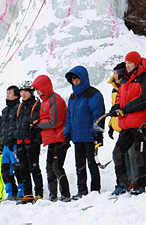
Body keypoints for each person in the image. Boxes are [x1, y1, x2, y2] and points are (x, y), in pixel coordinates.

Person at [110, 51, 146, 195]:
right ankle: (122, 182)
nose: (127, 66)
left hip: (140, 125)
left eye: (129, 63)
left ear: (136, 63)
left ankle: (141, 185)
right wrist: (115, 109)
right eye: (126, 63)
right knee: (117, 152)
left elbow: (144, 99)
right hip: (126, 125)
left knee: (139, 155)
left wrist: (124, 109)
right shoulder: (126, 80)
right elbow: (119, 99)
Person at [64, 66, 105, 199]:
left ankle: (95, 189)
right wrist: (67, 132)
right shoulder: (73, 96)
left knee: (92, 163)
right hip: (77, 136)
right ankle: (82, 189)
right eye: (72, 79)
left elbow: (98, 115)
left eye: (76, 78)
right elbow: (69, 116)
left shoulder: (94, 94)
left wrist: (97, 132)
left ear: (83, 78)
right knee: (79, 164)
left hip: (90, 135)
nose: (74, 81)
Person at [31, 74, 70, 202]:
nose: (37, 91)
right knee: (49, 168)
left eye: (38, 88)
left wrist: (39, 124)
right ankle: (53, 195)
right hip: (51, 139)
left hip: (59, 138)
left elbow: (55, 122)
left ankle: (65, 194)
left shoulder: (55, 100)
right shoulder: (45, 101)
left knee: (57, 167)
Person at [14, 80, 44, 204]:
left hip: (32, 141)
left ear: (31, 92)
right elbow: (15, 123)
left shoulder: (37, 105)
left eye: (26, 91)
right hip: (20, 141)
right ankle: (28, 193)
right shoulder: (20, 106)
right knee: (23, 169)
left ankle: (39, 193)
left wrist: (37, 140)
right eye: (21, 91)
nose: (23, 94)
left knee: (34, 168)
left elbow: (39, 123)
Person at [0, 85, 24, 200]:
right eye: (7, 93)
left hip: (14, 144)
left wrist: (13, 139)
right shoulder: (5, 110)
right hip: (5, 145)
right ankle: (10, 192)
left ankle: (21, 191)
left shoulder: (19, 108)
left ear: (16, 95)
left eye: (10, 93)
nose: (7, 95)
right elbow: (3, 128)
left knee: (18, 169)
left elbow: (16, 126)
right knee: (5, 170)